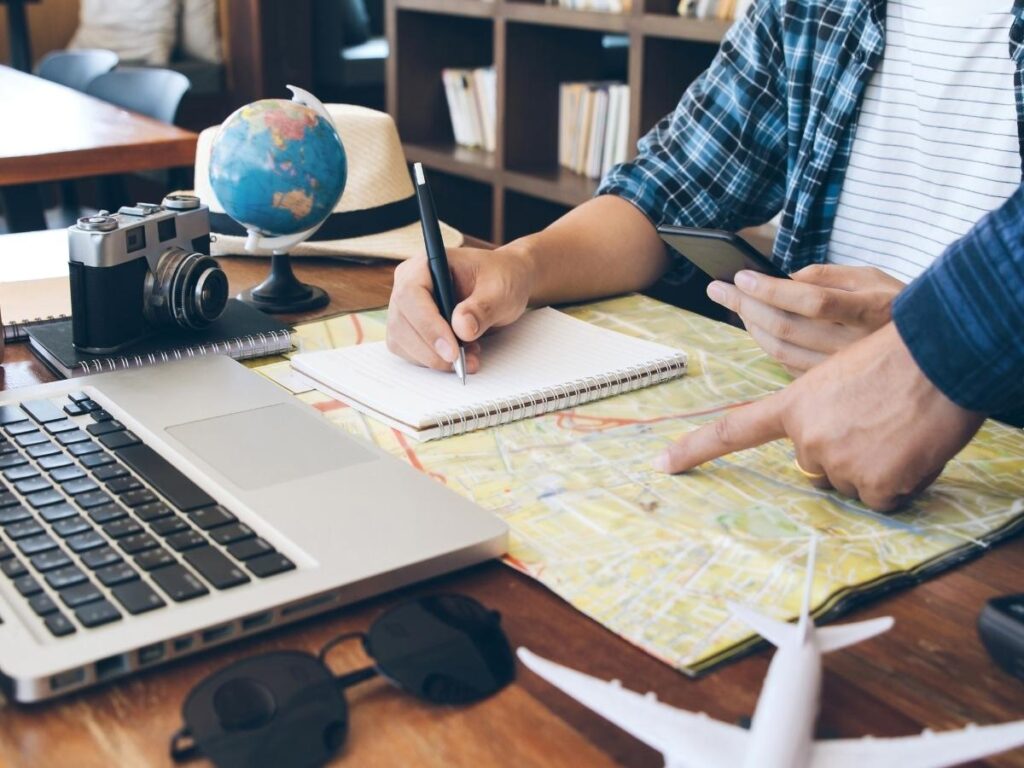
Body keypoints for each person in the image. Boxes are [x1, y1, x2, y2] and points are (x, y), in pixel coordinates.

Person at [386, 0, 1024, 506]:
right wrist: (517, 265)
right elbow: (666, 190)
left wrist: (927, 351)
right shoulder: (812, 7)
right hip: (808, 446)